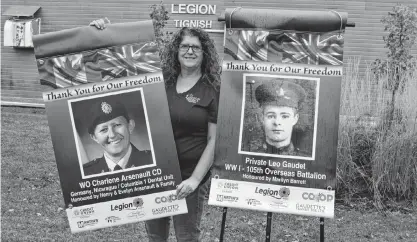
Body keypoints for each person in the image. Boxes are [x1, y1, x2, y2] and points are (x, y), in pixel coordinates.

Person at [90, 19, 220, 242]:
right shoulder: (161, 82)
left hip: (188, 179)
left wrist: (195, 180)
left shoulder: (213, 90)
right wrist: (106, 33)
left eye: (196, 47)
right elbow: (121, 71)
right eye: (184, 46)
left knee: (187, 237)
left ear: (204, 52)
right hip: (155, 175)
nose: (190, 51)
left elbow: (214, 140)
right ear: (176, 51)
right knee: (155, 237)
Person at [83, 98, 153, 176]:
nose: (112, 135)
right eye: (104, 129)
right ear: (94, 137)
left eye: (117, 125)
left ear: (130, 126)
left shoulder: (153, 160)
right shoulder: (86, 173)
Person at [250, 79, 308, 156]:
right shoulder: (250, 156)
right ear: (262, 117)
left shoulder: (305, 159)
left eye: (285, 116)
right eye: (270, 116)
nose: (277, 122)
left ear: (295, 119)